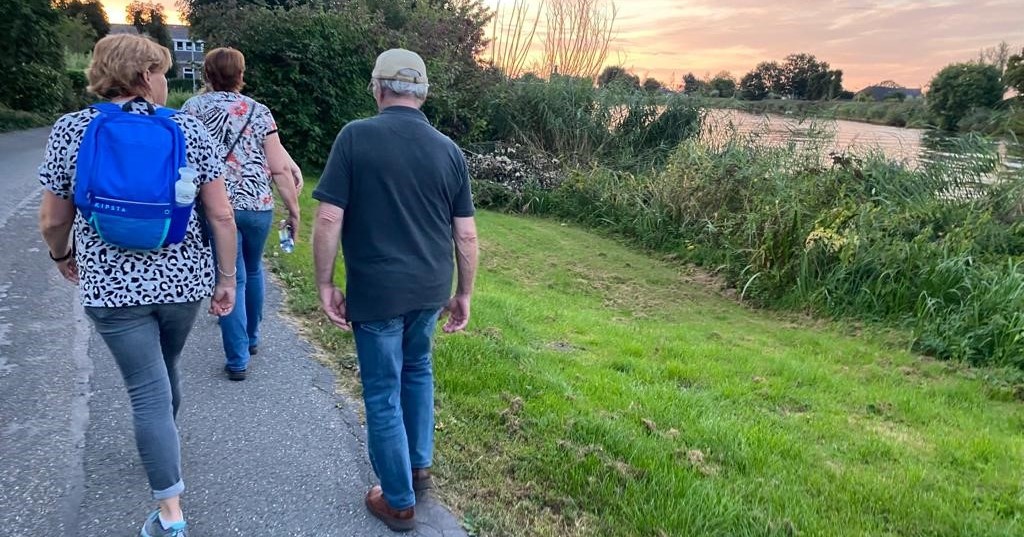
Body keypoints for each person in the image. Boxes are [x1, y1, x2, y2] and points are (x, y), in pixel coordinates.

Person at [37, 34, 237, 537]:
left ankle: (171, 514)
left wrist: (63, 255)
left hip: (112, 288)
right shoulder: (187, 129)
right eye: (162, 73)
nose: (165, 82)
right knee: (163, 369)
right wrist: (227, 279)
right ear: (146, 76)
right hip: (183, 282)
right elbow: (220, 214)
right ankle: (163, 449)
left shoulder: (73, 129)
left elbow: (53, 219)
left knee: (147, 387)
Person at [312, 48, 479, 532]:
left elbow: (328, 218)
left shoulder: (355, 137)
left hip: (378, 291)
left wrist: (325, 282)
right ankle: (418, 467)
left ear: (378, 88)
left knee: (383, 390)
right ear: (422, 93)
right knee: (418, 370)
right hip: (430, 289)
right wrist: (464, 292)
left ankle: (398, 500)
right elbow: (466, 234)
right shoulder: (449, 151)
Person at [181, 47, 301, 381]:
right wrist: (294, 211)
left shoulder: (191, 109)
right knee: (254, 269)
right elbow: (279, 168)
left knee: (230, 275)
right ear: (241, 75)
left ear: (206, 74)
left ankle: (237, 360)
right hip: (258, 205)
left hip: (217, 206)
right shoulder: (260, 112)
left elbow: (183, 160)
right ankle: (252, 338)